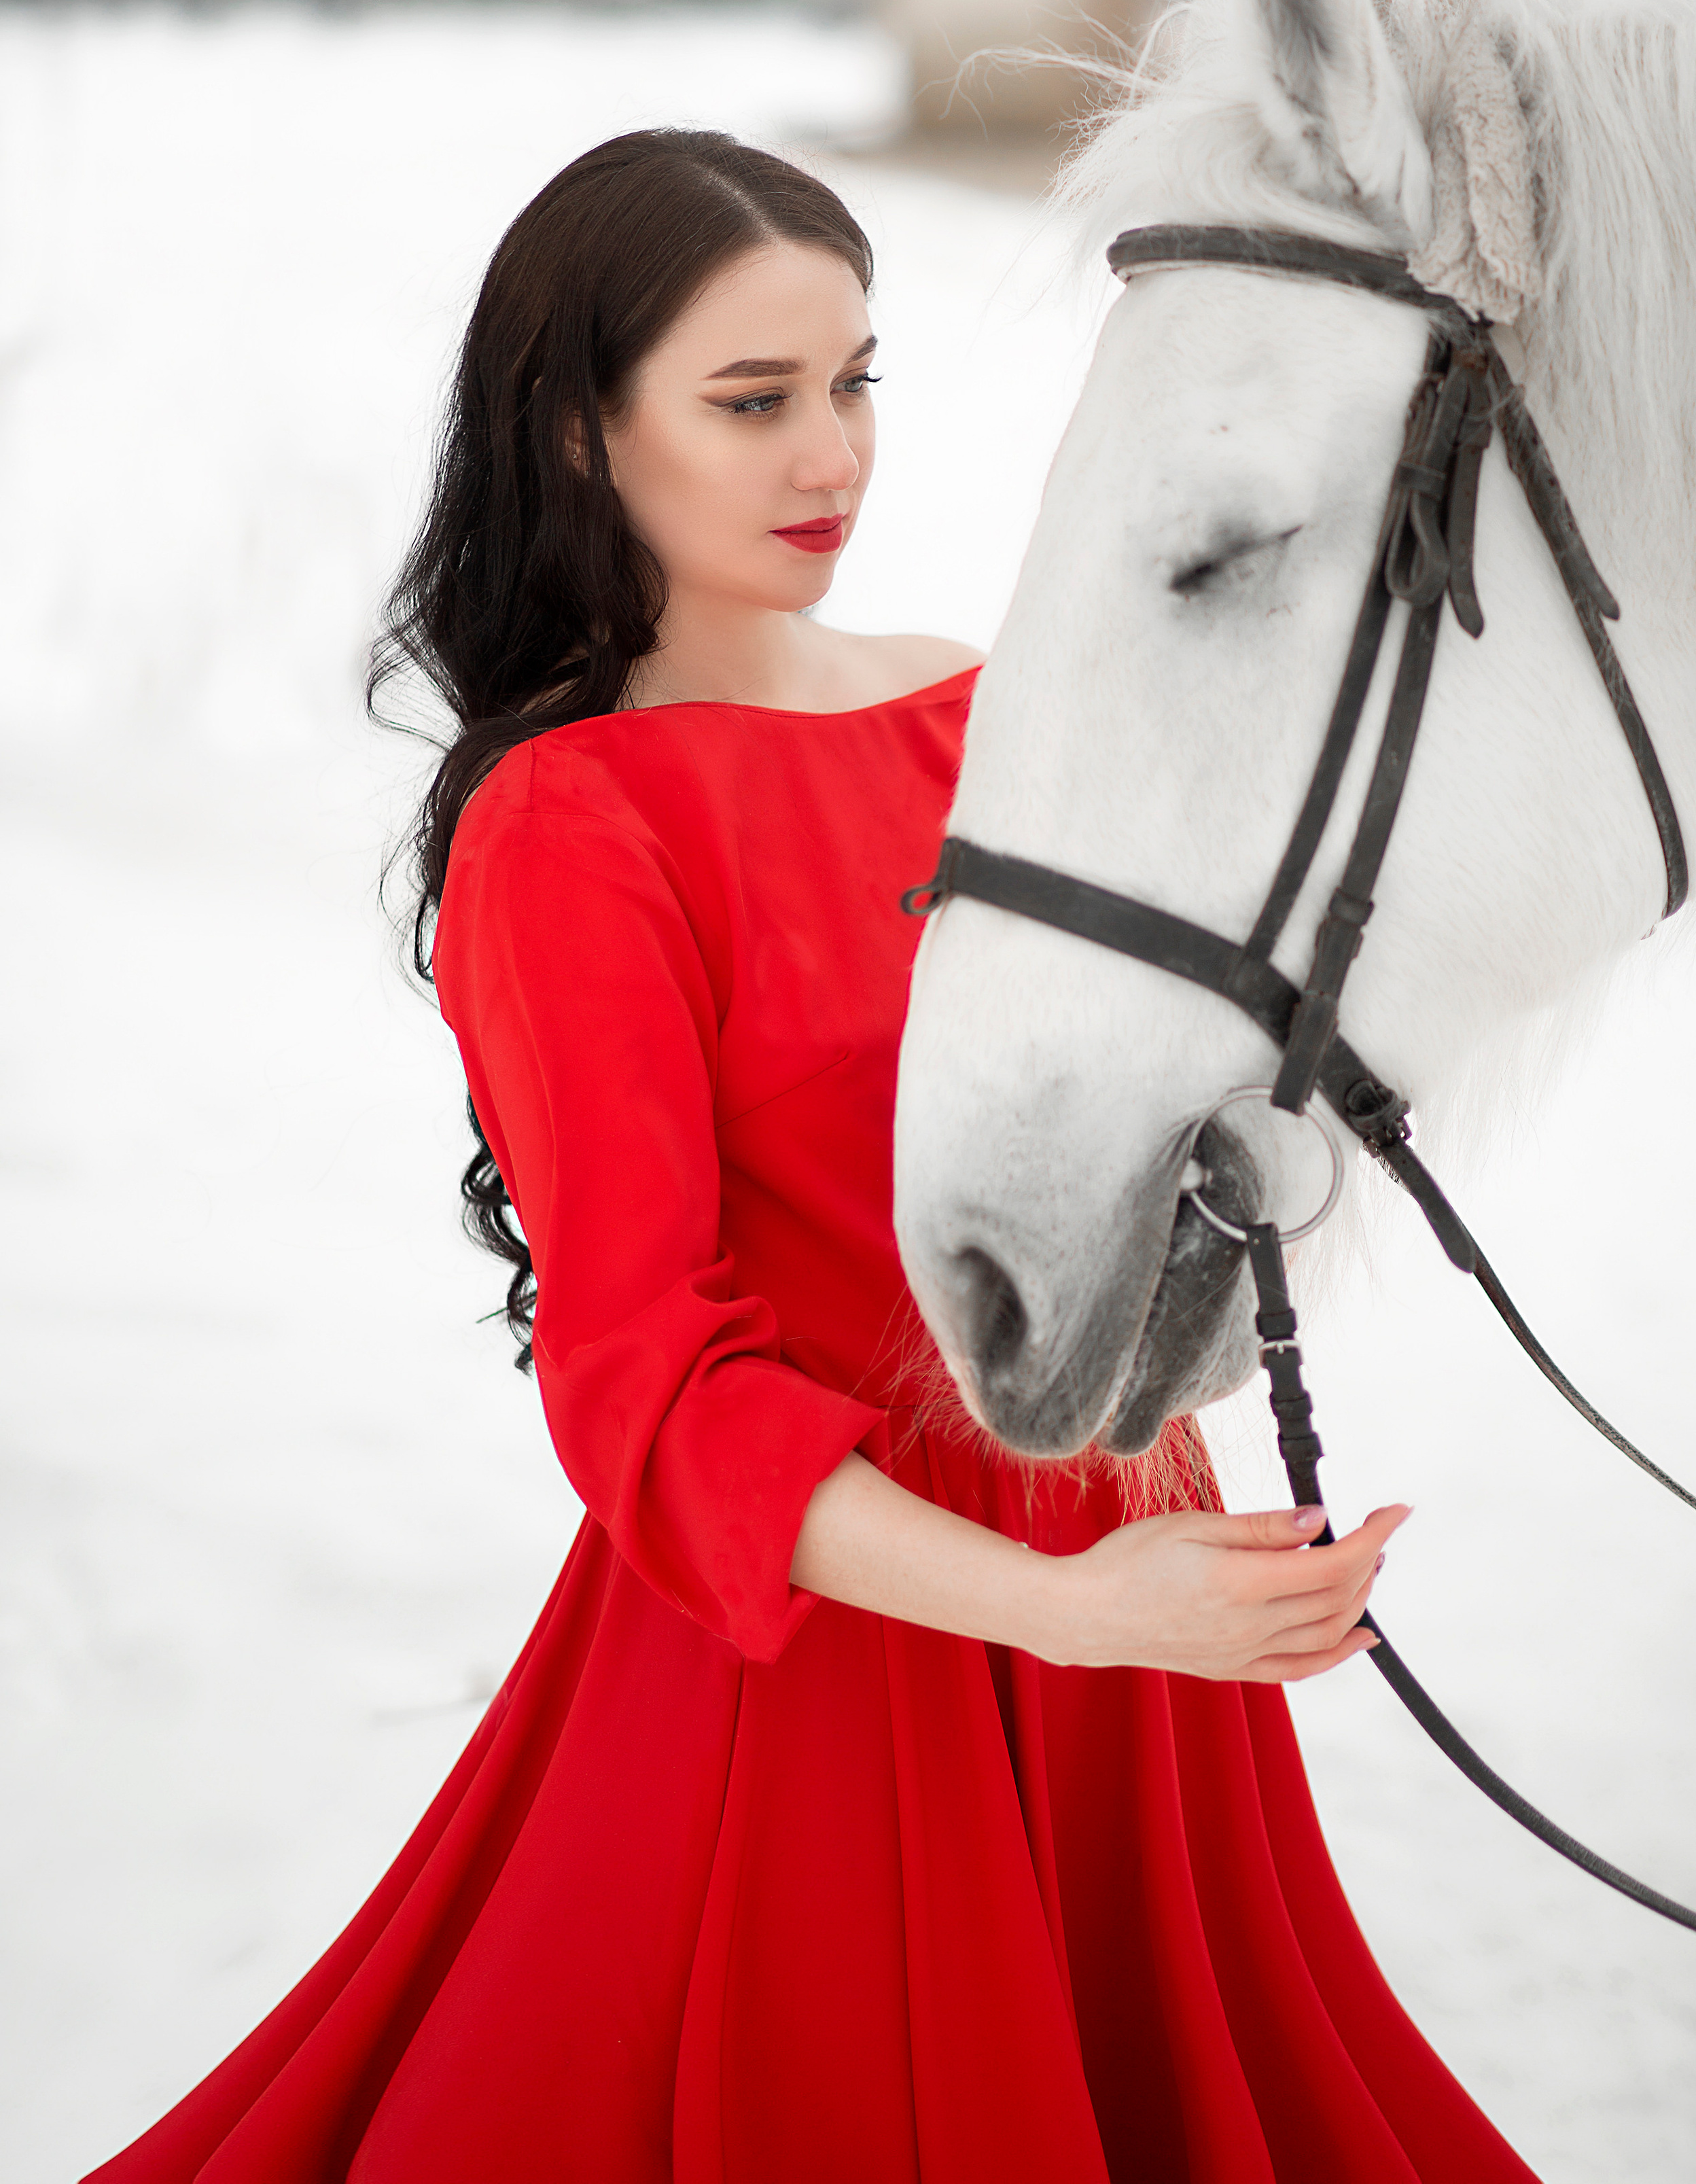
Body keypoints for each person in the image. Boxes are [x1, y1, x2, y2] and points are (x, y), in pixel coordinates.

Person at [86, 130, 1535, 2184]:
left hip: (1132, 1589)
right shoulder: (575, 830)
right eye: (751, 403)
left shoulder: (983, 710)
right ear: (580, 435)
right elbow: (646, 1393)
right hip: (830, 1673)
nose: (827, 457)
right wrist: (1069, 1614)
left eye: (856, 382)